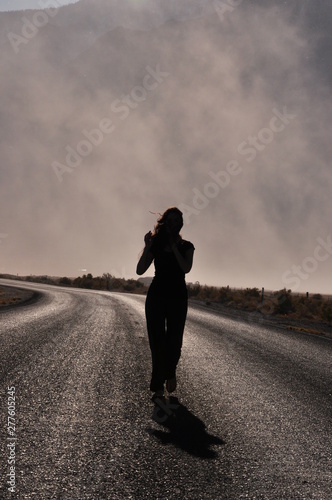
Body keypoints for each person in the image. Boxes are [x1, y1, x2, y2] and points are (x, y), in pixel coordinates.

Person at [136, 207, 195, 401]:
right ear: (164, 222)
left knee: (174, 342)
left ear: (181, 224)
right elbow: (140, 269)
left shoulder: (187, 246)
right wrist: (147, 245)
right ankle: (157, 387)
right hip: (156, 296)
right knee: (157, 342)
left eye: (177, 221)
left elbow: (185, 268)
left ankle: (170, 371)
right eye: (169, 220)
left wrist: (174, 245)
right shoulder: (157, 244)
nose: (173, 224)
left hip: (178, 297)